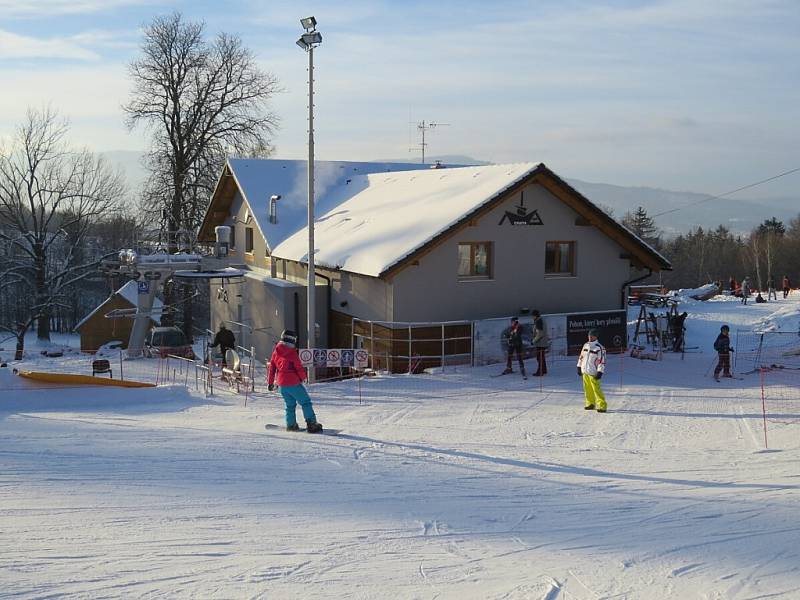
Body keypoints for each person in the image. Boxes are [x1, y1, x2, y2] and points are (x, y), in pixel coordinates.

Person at [267, 329, 323, 433]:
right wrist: (303, 378)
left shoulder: (276, 351)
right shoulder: (292, 353)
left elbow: (272, 368)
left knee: (290, 405)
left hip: (282, 385)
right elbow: (299, 368)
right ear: (293, 340)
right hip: (293, 383)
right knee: (305, 402)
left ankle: (291, 424)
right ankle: (312, 424)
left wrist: (270, 382)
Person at [577, 329, 607, 413]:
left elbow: (602, 361)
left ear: (596, 337)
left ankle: (602, 405)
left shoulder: (599, 347)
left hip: (593, 372)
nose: (589, 337)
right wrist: (579, 366)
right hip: (585, 371)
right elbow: (581, 356)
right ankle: (590, 403)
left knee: (596, 390)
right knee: (587, 389)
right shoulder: (585, 345)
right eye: (589, 336)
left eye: (591, 336)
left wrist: (600, 371)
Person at [531, 309, 549, 376]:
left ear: (535, 316)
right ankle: (544, 370)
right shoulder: (541, 320)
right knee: (542, 357)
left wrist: (533, 341)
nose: (532, 317)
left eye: (532, 316)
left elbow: (540, 333)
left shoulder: (538, 321)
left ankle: (540, 371)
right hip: (542, 342)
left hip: (540, 342)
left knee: (539, 358)